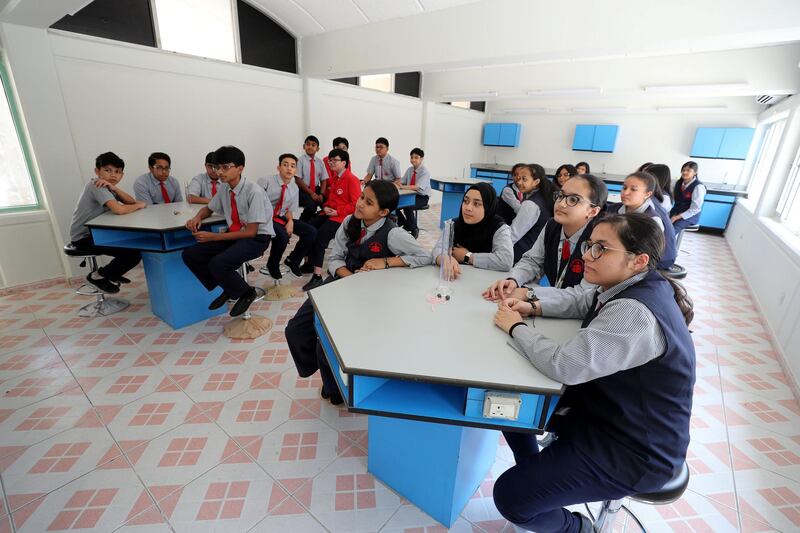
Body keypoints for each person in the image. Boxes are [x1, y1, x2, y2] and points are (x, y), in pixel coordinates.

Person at [491, 213, 695, 533]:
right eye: (589, 245)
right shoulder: (633, 284)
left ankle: (578, 529)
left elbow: (566, 365)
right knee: (511, 404)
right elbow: (582, 300)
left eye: (601, 248)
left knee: (510, 497)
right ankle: (539, 477)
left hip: (634, 451)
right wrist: (532, 305)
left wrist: (516, 326)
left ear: (638, 260)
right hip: (608, 415)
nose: (586, 254)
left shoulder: (634, 312)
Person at [285, 181, 430, 405]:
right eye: (362, 197)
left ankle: (334, 389)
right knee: (295, 330)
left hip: (370, 297)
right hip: (340, 282)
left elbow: (424, 257)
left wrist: (386, 261)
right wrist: (350, 278)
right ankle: (318, 369)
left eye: (368, 202)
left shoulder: (393, 234)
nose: (360, 204)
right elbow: (334, 259)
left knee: (326, 344)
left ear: (383, 212)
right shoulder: (349, 221)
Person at [483, 174, 607, 316]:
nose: (561, 203)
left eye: (573, 199)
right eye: (561, 195)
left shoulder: (598, 241)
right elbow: (533, 261)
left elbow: (583, 294)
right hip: (553, 308)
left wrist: (528, 293)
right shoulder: (552, 225)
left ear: (592, 211)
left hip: (584, 317)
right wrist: (514, 279)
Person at [182, 146, 273, 317]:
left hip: (257, 239)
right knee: (190, 255)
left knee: (218, 263)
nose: (219, 172)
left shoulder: (255, 192)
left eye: (225, 167)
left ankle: (247, 293)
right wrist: (197, 218)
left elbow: (251, 232)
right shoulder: (224, 188)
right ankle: (228, 288)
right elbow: (209, 208)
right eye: (217, 167)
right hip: (235, 235)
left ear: (240, 168)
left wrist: (214, 237)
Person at [68, 152, 146, 293]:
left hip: (96, 233)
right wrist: (139, 206)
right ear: (97, 171)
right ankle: (97, 276)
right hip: (84, 237)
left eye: (118, 172)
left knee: (133, 247)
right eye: (108, 170)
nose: (113, 175)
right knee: (133, 252)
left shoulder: (107, 186)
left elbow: (130, 201)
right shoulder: (97, 186)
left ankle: (112, 274)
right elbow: (119, 209)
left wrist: (115, 188)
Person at [301, 148, 361, 291]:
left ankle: (317, 276)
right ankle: (309, 263)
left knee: (320, 238)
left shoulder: (351, 179)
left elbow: (356, 204)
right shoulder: (335, 178)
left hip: (342, 218)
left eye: (335, 160)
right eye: (330, 160)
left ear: (344, 163)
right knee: (308, 228)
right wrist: (327, 207)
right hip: (330, 214)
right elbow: (331, 199)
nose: (331, 162)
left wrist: (337, 211)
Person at [432, 182, 513, 280]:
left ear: (488, 207)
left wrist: (468, 256)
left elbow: (505, 261)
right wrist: (444, 258)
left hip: (485, 284)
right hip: (457, 279)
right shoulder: (453, 224)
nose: (468, 208)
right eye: (466, 201)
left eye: (476, 204)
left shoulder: (499, 228)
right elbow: (437, 250)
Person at [257, 154, 317, 279]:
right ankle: (272, 264)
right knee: (282, 236)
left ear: (296, 170)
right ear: (278, 168)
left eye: (292, 166)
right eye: (285, 165)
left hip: (281, 217)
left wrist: (290, 221)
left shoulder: (294, 187)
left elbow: (289, 210)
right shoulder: (265, 181)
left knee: (311, 232)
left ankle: (293, 260)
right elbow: (256, 204)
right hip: (265, 218)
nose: (289, 168)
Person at [607, 171, 677, 270]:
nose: (625, 193)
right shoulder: (613, 209)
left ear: (647, 194)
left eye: (633, 189)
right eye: (624, 188)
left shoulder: (652, 219)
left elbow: (649, 253)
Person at [497, 164, 556, 262]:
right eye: (518, 178)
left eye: (524, 179)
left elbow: (513, 235)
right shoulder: (544, 197)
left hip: (520, 256)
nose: (519, 182)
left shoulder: (531, 205)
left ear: (536, 182)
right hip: (534, 252)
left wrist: (497, 252)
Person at [396, 147, 431, 238]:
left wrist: (402, 187)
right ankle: (405, 225)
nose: (413, 159)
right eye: (412, 157)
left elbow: (417, 187)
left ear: (421, 159)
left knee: (408, 206)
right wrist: (395, 184)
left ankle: (414, 229)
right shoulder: (409, 170)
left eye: (416, 157)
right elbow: (402, 181)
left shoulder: (425, 172)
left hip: (422, 197)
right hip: (410, 195)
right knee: (393, 205)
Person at [297, 135, 327, 222]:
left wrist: (321, 194)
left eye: (313, 145)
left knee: (328, 204)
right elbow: (298, 180)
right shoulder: (300, 160)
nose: (310, 147)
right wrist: (311, 193)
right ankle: (301, 223)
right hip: (303, 190)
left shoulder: (320, 162)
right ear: (304, 146)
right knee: (311, 206)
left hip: (316, 189)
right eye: (308, 144)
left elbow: (323, 180)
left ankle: (314, 221)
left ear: (318, 149)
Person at [670, 161, 705, 234]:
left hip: (689, 216)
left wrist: (676, 217)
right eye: (683, 170)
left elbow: (695, 209)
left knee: (671, 231)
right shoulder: (677, 183)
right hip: (676, 212)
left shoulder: (698, 187)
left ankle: (668, 244)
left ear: (695, 172)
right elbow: (672, 199)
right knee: (663, 225)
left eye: (688, 170)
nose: (685, 172)